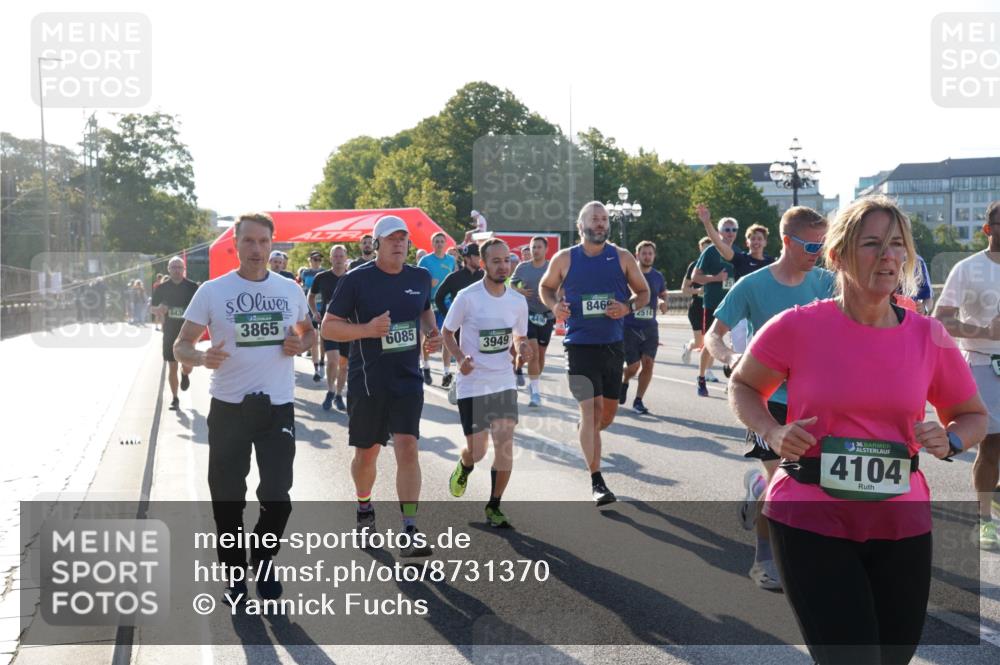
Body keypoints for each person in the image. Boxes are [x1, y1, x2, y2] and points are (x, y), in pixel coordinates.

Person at [729, 195, 987, 664]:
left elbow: (972, 415)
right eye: (872, 244)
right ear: (838, 255)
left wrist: (950, 439)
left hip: (901, 521)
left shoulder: (928, 336)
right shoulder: (797, 326)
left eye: (897, 245)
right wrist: (772, 430)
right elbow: (743, 385)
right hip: (811, 515)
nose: (888, 256)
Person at [173, 212, 314, 604]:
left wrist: (300, 345)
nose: (256, 249)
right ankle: (235, 577)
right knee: (228, 499)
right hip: (229, 409)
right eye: (249, 241)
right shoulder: (212, 291)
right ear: (235, 244)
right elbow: (181, 345)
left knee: (277, 496)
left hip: (277, 408)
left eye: (263, 241)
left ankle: (263, 560)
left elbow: (309, 333)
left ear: (273, 244)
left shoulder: (289, 290)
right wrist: (201, 357)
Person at [704, 206, 834, 590]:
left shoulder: (829, 283)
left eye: (823, 245)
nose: (818, 253)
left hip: (815, 401)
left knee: (811, 484)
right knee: (781, 480)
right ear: (787, 242)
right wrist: (731, 358)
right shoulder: (752, 285)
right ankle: (764, 559)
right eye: (811, 245)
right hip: (767, 397)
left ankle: (761, 493)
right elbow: (713, 334)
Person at [322, 215, 442, 557]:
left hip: (407, 379)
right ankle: (364, 509)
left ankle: (409, 529)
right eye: (391, 238)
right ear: (376, 244)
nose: (399, 243)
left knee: (408, 447)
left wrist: (432, 333)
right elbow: (328, 328)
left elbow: (424, 310)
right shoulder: (356, 280)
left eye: (403, 238)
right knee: (367, 454)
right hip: (368, 381)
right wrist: (367, 330)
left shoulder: (420, 277)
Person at [539, 201, 649, 505]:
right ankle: (597, 481)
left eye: (604, 219)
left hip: (612, 346)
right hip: (578, 345)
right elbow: (546, 288)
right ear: (581, 226)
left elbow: (643, 293)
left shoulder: (622, 257)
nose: (600, 223)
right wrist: (555, 306)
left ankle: (587, 433)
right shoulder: (565, 258)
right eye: (594, 219)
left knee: (606, 416)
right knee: (591, 411)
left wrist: (627, 307)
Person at [443, 238, 530, 528]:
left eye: (506, 260)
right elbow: (447, 332)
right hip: (473, 382)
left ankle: (494, 506)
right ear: (483, 264)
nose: (503, 266)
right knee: (478, 452)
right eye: (496, 261)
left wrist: (522, 347)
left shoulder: (517, 301)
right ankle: (465, 465)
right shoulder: (467, 297)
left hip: (503, 380)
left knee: (504, 445)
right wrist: (460, 358)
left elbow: (519, 335)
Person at [934, 199, 1000, 550]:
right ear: (987, 229)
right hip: (983, 363)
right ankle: (984, 520)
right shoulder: (968, 268)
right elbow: (941, 320)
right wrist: (986, 332)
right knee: (992, 445)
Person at [619, 241, 668, 415]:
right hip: (630, 326)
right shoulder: (628, 275)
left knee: (648, 364)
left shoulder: (658, 276)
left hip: (650, 327)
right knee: (633, 367)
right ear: (637, 255)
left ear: (654, 256)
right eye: (644, 253)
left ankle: (638, 400)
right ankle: (624, 380)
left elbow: (662, 294)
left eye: (650, 253)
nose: (647, 256)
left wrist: (662, 302)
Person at [692, 217, 740, 394]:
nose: (730, 233)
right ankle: (701, 377)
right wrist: (715, 278)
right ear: (719, 232)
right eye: (727, 230)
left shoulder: (738, 252)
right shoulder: (710, 251)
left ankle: (733, 380)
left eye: (734, 230)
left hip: (734, 304)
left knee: (737, 342)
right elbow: (695, 277)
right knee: (710, 342)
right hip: (713, 304)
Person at [511, 236, 556, 407]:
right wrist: (520, 291)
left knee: (541, 355)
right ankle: (535, 393)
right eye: (533, 247)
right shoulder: (523, 267)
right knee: (534, 352)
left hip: (546, 315)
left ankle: (532, 381)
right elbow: (512, 285)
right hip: (527, 314)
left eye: (538, 247)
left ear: (546, 249)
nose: (535, 250)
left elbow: (561, 287)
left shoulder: (552, 267)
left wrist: (553, 298)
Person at [151, 256, 199, 410]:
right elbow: (151, 308)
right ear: (168, 269)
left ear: (184, 269)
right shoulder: (162, 288)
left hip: (188, 332)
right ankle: (175, 398)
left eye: (179, 267)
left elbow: (202, 307)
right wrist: (158, 310)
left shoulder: (192, 287)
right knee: (172, 366)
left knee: (187, 365)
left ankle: (185, 374)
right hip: (170, 332)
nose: (177, 270)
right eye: (174, 267)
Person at [434, 243, 485, 387]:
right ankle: (458, 384)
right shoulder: (454, 277)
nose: (480, 259)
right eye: (477, 256)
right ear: (467, 258)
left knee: (480, 358)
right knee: (463, 358)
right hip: (461, 326)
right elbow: (439, 297)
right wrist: (449, 316)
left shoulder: (484, 276)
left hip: (481, 324)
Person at [310, 245, 350, 411]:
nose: (338, 259)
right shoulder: (322, 277)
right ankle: (331, 390)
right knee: (332, 361)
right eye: (335, 256)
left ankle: (339, 394)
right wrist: (314, 312)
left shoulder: (352, 277)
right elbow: (311, 296)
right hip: (329, 324)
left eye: (341, 256)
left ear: (346, 258)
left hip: (348, 326)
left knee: (344, 365)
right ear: (331, 258)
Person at [418, 232, 457, 386]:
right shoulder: (425, 260)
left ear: (446, 243)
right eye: (436, 241)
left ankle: (446, 372)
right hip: (429, 303)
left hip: (445, 303)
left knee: (447, 335)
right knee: (429, 336)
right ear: (432, 244)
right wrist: (428, 284)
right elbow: (417, 280)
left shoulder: (451, 260)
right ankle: (426, 366)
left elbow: (454, 280)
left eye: (441, 241)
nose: (439, 244)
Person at [681, 237, 712, 365]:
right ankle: (688, 346)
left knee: (711, 341)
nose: (707, 252)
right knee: (699, 343)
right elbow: (684, 289)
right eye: (704, 249)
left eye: (710, 249)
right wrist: (698, 291)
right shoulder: (694, 266)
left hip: (712, 307)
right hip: (697, 307)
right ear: (700, 250)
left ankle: (708, 371)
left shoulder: (720, 266)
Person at [298, 251, 326, 381]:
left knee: (323, 338)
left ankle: (322, 362)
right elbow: (303, 288)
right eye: (315, 259)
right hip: (310, 309)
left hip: (323, 308)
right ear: (309, 260)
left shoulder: (325, 272)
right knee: (314, 338)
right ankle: (316, 369)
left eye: (319, 259)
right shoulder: (305, 273)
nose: (317, 261)